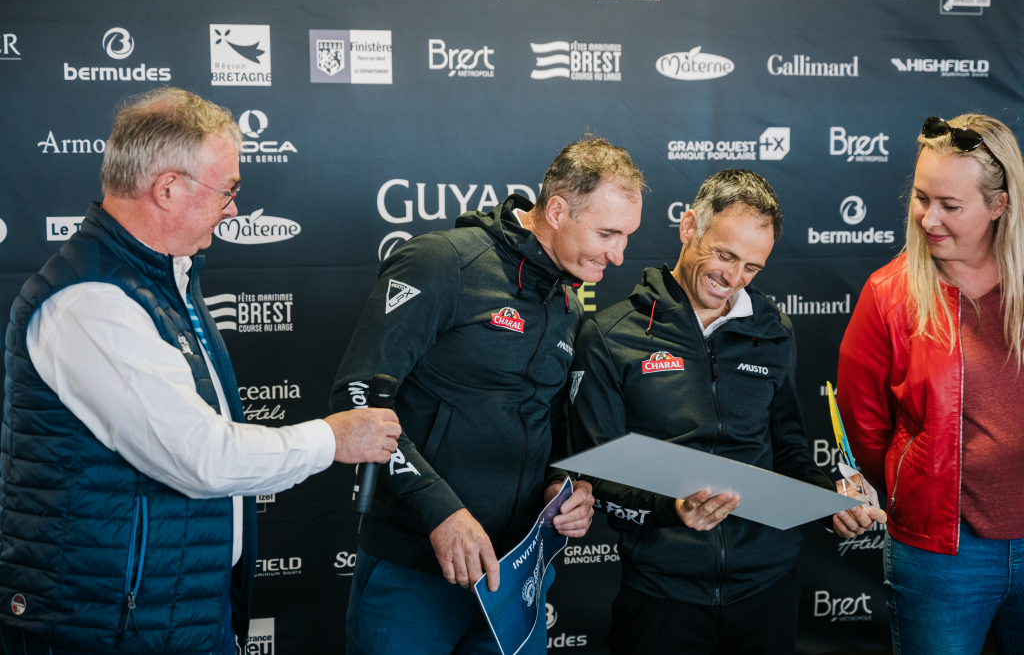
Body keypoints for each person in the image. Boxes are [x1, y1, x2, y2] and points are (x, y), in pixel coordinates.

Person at [0, 88, 402, 655]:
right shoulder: (93, 302)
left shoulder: (165, 280)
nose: (233, 208)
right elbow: (201, 457)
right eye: (228, 189)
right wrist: (331, 439)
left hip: (169, 609)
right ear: (167, 189)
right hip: (109, 625)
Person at [331, 135, 644, 655]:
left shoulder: (567, 301)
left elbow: (550, 420)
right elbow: (358, 398)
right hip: (415, 570)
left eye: (627, 237)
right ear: (557, 211)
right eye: (607, 233)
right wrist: (440, 514)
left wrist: (565, 487)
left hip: (515, 577)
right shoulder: (442, 262)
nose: (618, 254)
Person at [567, 169, 885, 655]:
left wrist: (832, 504)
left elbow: (789, 453)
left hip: (767, 591)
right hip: (662, 596)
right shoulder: (612, 336)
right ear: (688, 226)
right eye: (725, 255)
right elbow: (597, 476)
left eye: (752, 267)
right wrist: (674, 510)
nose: (733, 279)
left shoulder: (774, 330)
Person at [838, 114, 1024, 654]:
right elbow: (866, 429)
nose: (928, 218)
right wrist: (915, 486)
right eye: (921, 198)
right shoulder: (888, 295)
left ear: (999, 204)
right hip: (941, 557)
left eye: (950, 205)